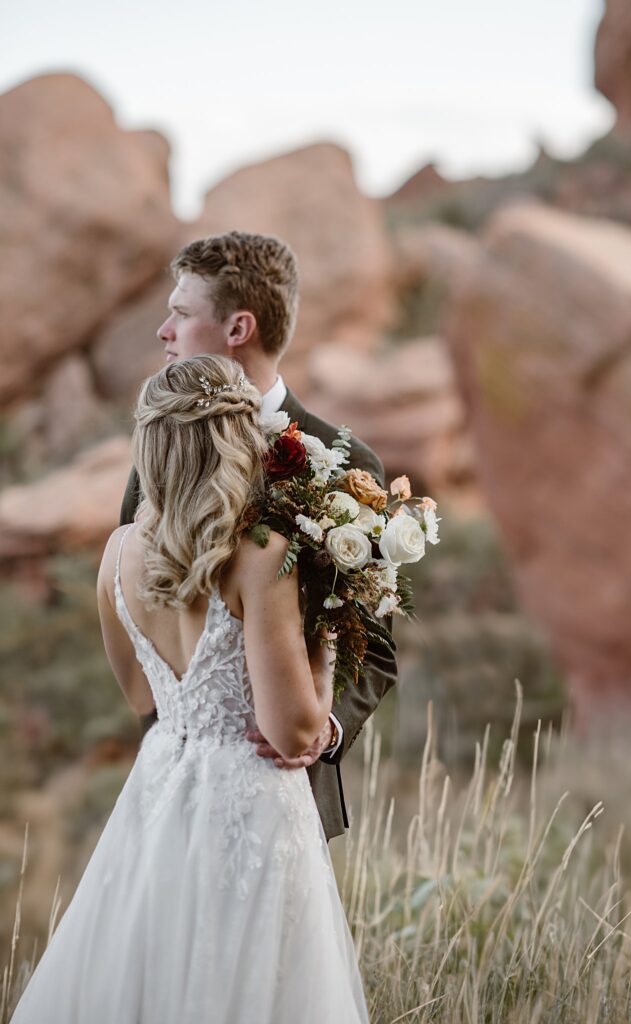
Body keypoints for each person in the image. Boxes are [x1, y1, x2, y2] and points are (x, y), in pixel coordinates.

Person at [10, 354, 369, 1023]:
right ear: (237, 439)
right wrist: (322, 656)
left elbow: (144, 699)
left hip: (160, 791)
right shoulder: (260, 552)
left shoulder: (118, 552)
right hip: (250, 806)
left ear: (151, 445)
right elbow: (292, 730)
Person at [120, 231, 397, 842]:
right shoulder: (157, 456)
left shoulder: (345, 464)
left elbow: (374, 647)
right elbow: (142, 611)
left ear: (238, 328)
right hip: (173, 795)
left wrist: (324, 733)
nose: (164, 330)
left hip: (288, 794)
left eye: (181, 313)